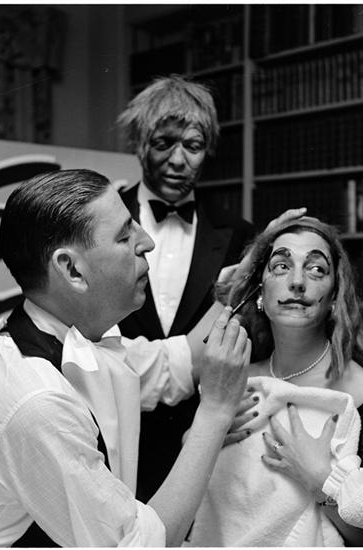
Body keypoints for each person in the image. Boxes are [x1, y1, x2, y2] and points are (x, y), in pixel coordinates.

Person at [0, 169, 253, 547]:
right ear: (72, 269)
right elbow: (138, 544)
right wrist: (216, 412)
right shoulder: (36, 401)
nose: (148, 242)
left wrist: (240, 286)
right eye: (125, 236)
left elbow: (174, 361)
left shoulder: (64, 334)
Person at [187, 216, 363, 547]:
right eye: (281, 266)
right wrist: (200, 438)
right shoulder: (234, 381)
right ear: (260, 290)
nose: (297, 282)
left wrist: (322, 482)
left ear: (334, 296)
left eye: (316, 270)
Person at [116, 74, 256, 501]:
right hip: (113, 436)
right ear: (140, 143)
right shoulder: (99, 222)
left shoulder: (237, 234)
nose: (178, 160)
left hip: (201, 442)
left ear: (207, 149)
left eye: (192, 146)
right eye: (164, 144)